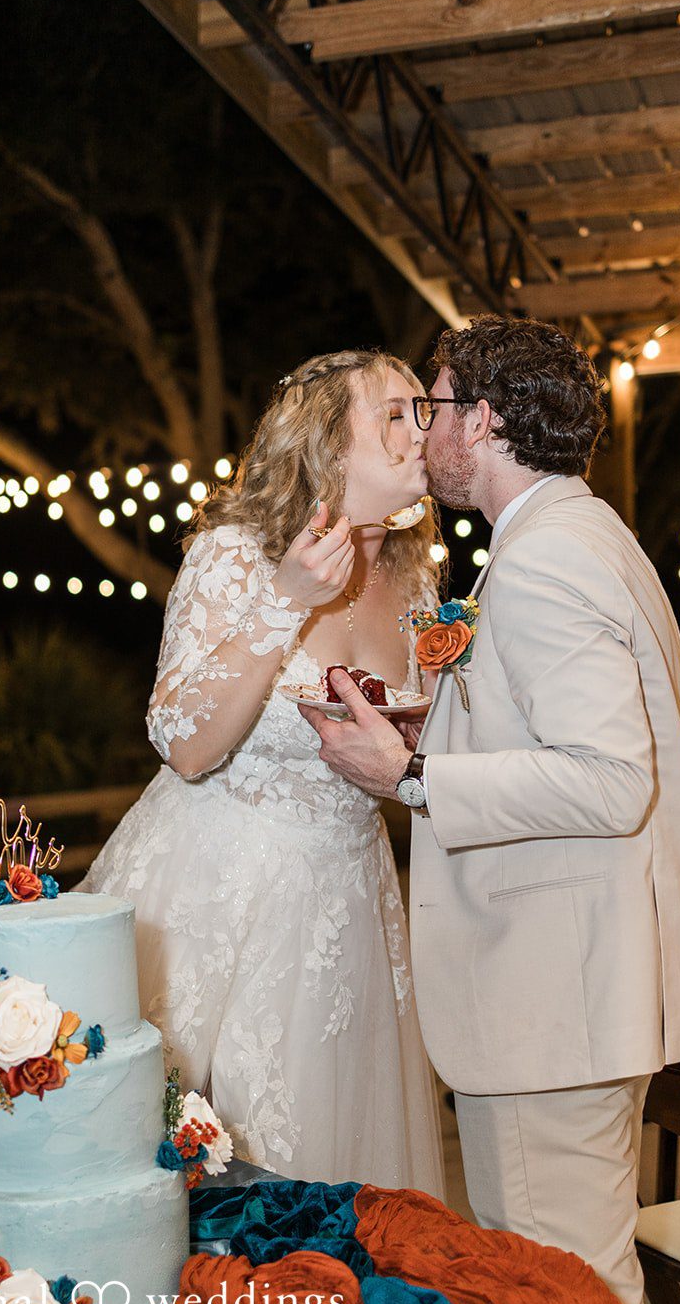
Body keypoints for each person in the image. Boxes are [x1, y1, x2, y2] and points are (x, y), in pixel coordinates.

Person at [303, 316, 680, 1304]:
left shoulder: (542, 563)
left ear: (482, 420)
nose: (425, 431)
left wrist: (410, 776)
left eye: (433, 407)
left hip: (550, 999)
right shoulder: (578, 537)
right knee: (589, 1288)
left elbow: (604, 776)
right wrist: (440, 723)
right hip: (574, 986)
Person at [80, 349, 445, 1195]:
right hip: (213, 890)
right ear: (323, 439)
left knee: (334, 1164)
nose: (419, 427)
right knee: (186, 1167)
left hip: (347, 899)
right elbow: (185, 745)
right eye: (394, 412)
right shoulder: (234, 556)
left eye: (424, 409)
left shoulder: (416, 577)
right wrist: (283, 599)